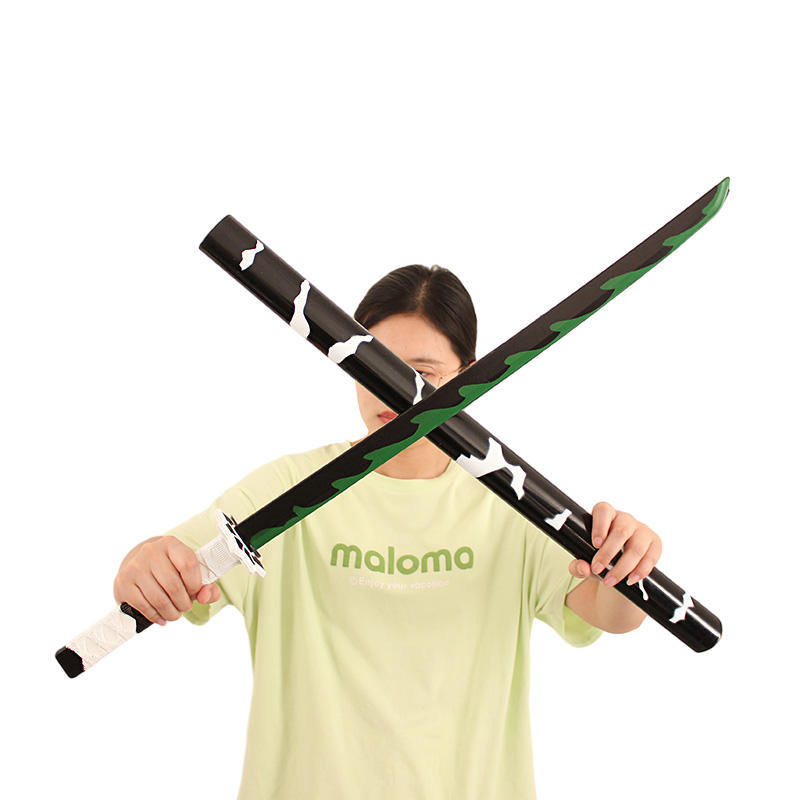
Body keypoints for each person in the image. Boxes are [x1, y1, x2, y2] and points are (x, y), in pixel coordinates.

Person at [113, 264, 662, 799]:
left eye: (423, 374)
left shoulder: (511, 504)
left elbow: (611, 613)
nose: (393, 393)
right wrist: (144, 565)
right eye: (372, 368)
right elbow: (173, 560)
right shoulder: (286, 490)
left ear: (470, 374)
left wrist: (628, 563)